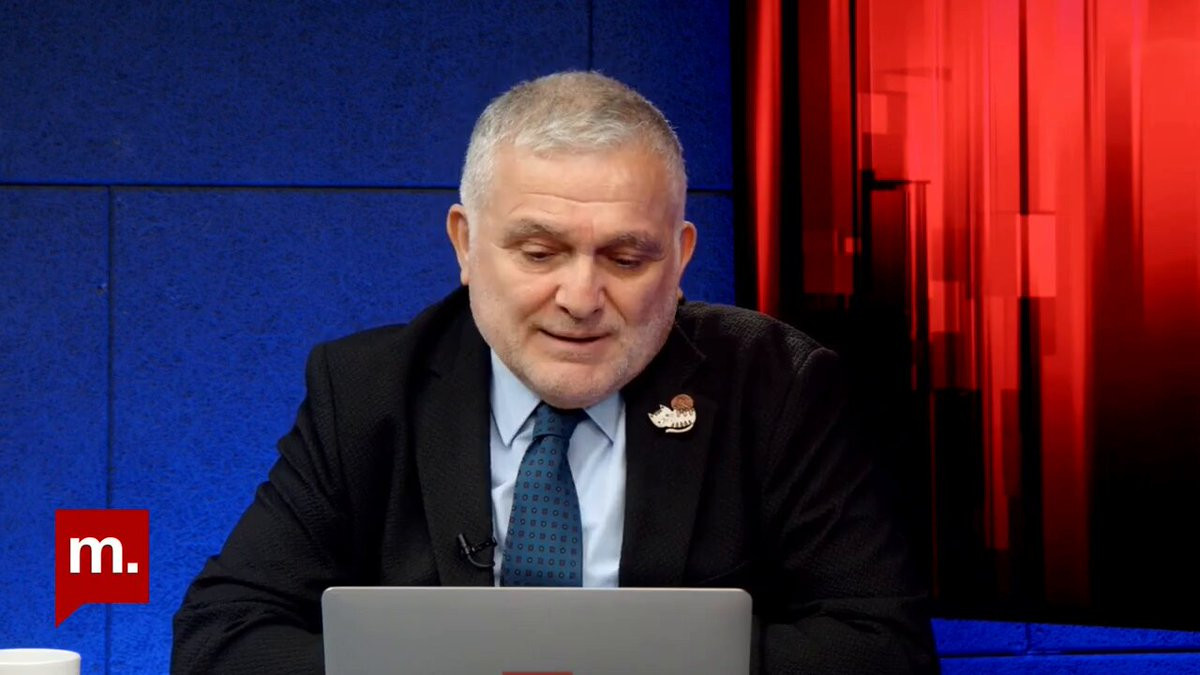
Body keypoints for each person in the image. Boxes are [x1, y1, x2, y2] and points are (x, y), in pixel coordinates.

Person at [172, 71, 937, 673]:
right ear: (465, 244)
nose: (580, 297)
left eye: (626, 258)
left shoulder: (779, 387)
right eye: (540, 253)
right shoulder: (366, 390)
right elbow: (221, 635)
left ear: (681, 259)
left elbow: (883, 646)